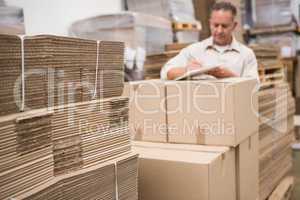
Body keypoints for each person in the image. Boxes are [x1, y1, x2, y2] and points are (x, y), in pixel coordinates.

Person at [160, 1, 259, 82]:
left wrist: (231, 77)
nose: (219, 31)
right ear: (210, 23)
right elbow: (166, 73)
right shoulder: (194, 50)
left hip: (233, 105)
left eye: (224, 26)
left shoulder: (246, 54)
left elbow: (254, 88)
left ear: (234, 25)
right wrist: (187, 70)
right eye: (215, 25)